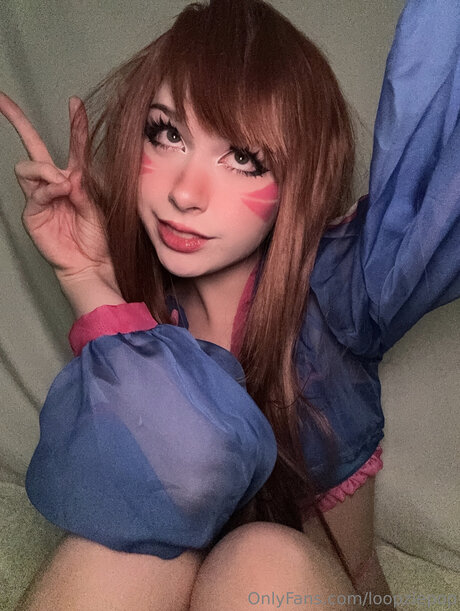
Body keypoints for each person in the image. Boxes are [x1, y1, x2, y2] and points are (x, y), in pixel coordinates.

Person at [1, 0, 459, 608]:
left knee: (260, 557)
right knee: (112, 550)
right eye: (168, 135)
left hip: (306, 591)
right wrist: (86, 278)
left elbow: (436, 195)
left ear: (298, 179)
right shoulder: (151, 297)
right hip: (185, 575)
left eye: (244, 158)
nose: (185, 193)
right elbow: (137, 493)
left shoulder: (337, 292)